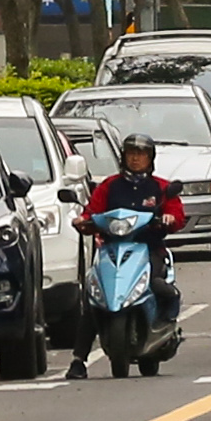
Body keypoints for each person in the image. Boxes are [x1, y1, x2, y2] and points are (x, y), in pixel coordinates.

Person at [65, 132, 180, 379]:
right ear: (123, 157)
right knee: (93, 296)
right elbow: (91, 211)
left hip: (148, 249)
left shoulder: (160, 187)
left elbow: (176, 213)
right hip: (111, 249)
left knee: (159, 286)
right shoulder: (109, 186)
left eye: (142, 154)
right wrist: (83, 220)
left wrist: (169, 218)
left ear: (151, 158)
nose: (136, 159)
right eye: (131, 154)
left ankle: (165, 324)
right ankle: (78, 360)